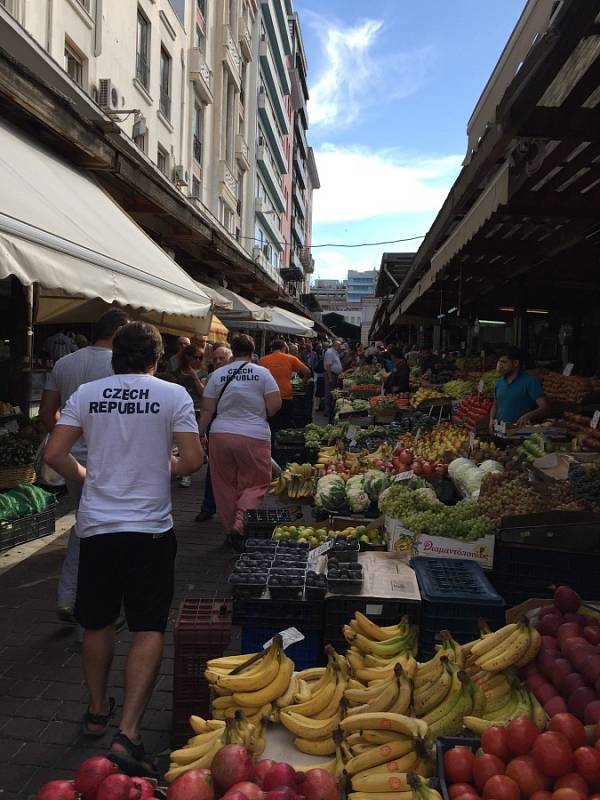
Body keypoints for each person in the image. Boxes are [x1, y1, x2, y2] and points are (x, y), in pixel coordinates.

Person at [44, 322, 203, 777]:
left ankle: (97, 710)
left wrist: (85, 476)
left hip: (97, 528)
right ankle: (128, 730)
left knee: (96, 621)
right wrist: (162, 469)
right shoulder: (172, 395)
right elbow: (192, 460)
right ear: (156, 357)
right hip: (150, 529)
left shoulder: (88, 394)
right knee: (148, 625)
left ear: (116, 356)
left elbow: (55, 455)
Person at [40, 308, 130, 623]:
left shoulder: (65, 363)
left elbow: (46, 414)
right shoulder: (120, 367)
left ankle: (68, 595)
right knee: (105, 529)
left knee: (85, 522)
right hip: (107, 459)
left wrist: (66, 441)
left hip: (70, 459)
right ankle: (96, 605)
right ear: (119, 332)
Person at [198, 334, 281, 551]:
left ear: (232, 351)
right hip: (253, 435)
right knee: (256, 482)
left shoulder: (217, 374)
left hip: (220, 434)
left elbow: (207, 410)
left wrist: (199, 433)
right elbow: (274, 406)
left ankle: (229, 530)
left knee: (224, 484)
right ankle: (240, 523)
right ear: (252, 351)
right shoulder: (263, 373)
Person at [195, 344, 233, 523]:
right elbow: (206, 406)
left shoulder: (240, 376)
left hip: (232, 424)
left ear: (230, 359)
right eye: (215, 358)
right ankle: (208, 506)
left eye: (222, 358)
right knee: (213, 467)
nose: (218, 362)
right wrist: (201, 431)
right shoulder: (211, 377)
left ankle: (231, 511)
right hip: (215, 423)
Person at [489, 346, 549, 432]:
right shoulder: (499, 382)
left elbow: (545, 407)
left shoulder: (530, 382)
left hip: (519, 434)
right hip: (499, 432)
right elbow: (495, 404)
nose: (500, 365)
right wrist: (491, 419)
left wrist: (528, 415)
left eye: (504, 362)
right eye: (499, 362)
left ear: (516, 363)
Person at [171, 344, 207, 487]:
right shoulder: (177, 372)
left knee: (190, 442)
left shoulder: (203, 373)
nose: (197, 360)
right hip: (178, 410)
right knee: (177, 444)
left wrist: (194, 377)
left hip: (196, 409)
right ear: (187, 357)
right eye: (194, 357)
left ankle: (187, 475)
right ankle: (179, 469)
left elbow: (203, 392)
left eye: (200, 357)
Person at [259, 338, 311, 434]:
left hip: (268, 397)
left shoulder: (262, 360)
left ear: (271, 349)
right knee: (285, 427)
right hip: (286, 396)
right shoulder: (290, 358)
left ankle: (271, 444)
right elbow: (307, 371)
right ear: (284, 348)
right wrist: (304, 382)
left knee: (270, 425)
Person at [324, 340, 343, 419]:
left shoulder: (335, 352)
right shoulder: (329, 352)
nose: (340, 347)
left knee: (332, 393)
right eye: (339, 346)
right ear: (335, 345)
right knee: (328, 392)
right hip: (330, 375)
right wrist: (330, 378)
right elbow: (328, 366)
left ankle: (330, 410)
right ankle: (327, 411)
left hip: (335, 375)